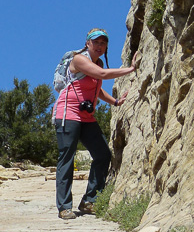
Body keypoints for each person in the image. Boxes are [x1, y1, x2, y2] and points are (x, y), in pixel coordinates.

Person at [53, 28, 138, 220]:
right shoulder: (79, 60)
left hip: (86, 116)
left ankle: (89, 201)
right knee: (67, 158)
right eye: (96, 42)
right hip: (68, 113)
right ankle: (64, 207)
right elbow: (101, 74)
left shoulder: (97, 62)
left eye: (103, 43)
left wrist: (115, 102)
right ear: (87, 43)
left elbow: (97, 88)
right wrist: (130, 69)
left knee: (103, 154)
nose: (99, 46)